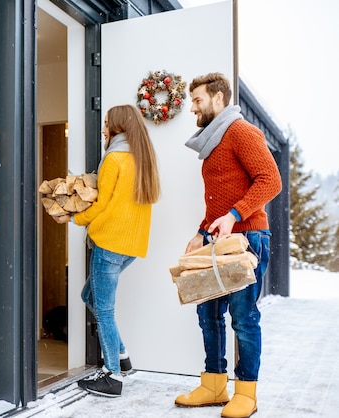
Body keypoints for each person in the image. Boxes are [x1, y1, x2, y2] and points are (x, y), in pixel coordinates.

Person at [174, 73, 282, 418]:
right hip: (217, 239)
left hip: (248, 238)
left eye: (198, 100)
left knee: (243, 317)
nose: (193, 107)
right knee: (207, 312)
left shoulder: (240, 132)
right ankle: (214, 384)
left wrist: (235, 214)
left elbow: (271, 180)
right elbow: (219, 199)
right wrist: (201, 232)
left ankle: (246, 392)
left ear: (218, 98)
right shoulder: (214, 140)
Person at [53, 104, 161, 397]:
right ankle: (123, 357)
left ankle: (111, 376)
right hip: (131, 246)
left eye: (106, 124)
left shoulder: (114, 158)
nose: (103, 129)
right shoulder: (143, 159)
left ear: (118, 126)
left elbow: (101, 205)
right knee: (89, 296)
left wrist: (71, 218)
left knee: (104, 311)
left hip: (110, 243)